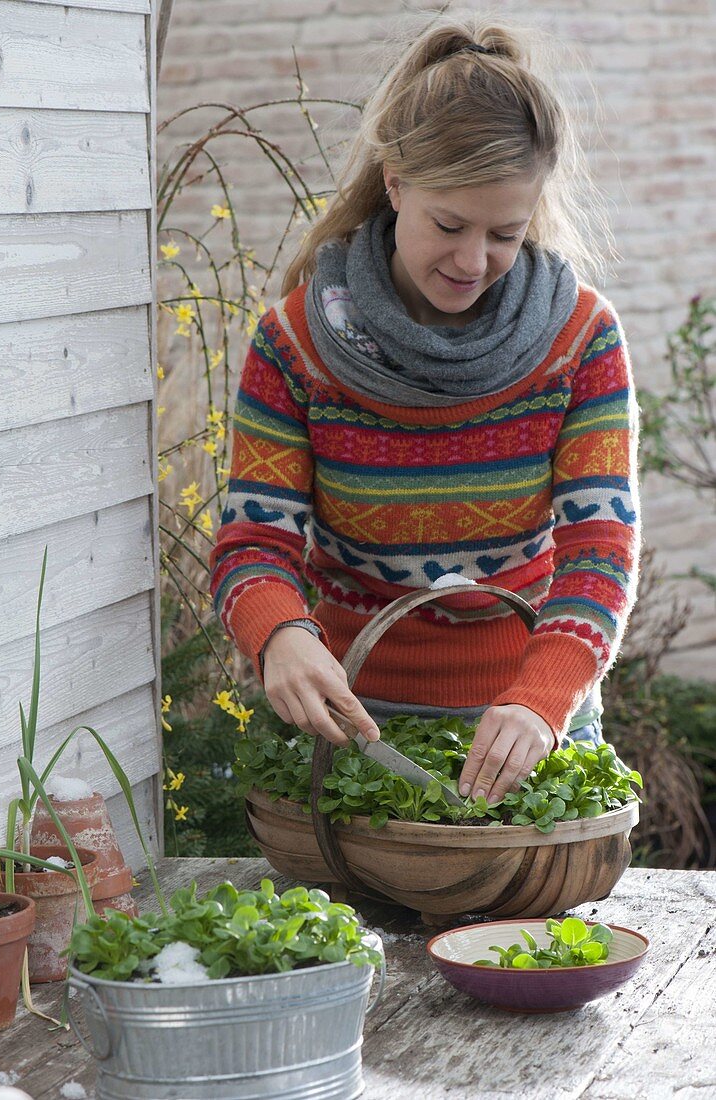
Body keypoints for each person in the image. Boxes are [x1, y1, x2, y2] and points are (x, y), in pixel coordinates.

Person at [209, 15, 640, 806]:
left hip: (528, 732)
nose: (473, 262)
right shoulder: (295, 344)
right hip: (351, 731)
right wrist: (282, 635)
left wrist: (542, 699)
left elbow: (600, 549)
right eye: (449, 225)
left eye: (505, 233)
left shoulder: (580, 340)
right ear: (397, 184)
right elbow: (253, 540)